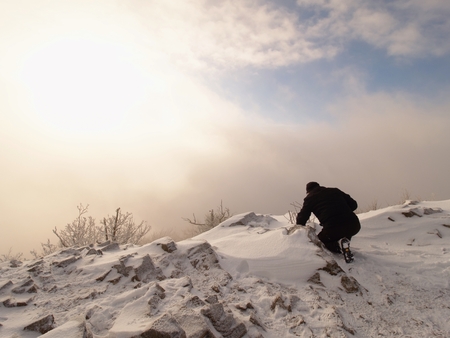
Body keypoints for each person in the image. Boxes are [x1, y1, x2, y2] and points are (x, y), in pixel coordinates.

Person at [296, 182, 361, 254]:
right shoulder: (335, 191)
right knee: (345, 233)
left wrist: (298, 227)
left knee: (320, 241)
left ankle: (339, 246)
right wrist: (344, 211)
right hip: (354, 224)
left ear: (308, 191)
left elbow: (302, 217)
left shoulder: (309, 199)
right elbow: (354, 205)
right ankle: (345, 245)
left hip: (333, 228)